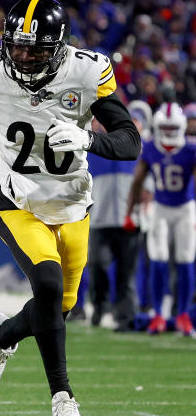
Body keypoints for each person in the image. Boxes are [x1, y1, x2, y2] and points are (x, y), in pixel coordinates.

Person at [0, 0, 140, 416]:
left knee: (58, 308)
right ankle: (63, 398)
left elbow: (129, 141)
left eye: (35, 50)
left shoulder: (85, 72)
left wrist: (87, 141)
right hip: (19, 203)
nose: (23, 58)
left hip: (73, 206)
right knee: (47, 284)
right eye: (17, 47)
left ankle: (4, 334)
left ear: (59, 48)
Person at [126, 103, 196, 336]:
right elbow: (137, 182)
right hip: (160, 208)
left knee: (185, 259)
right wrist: (129, 213)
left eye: (171, 127)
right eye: (164, 127)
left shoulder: (190, 149)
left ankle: (183, 315)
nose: (167, 132)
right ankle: (158, 315)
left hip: (185, 208)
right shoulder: (150, 148)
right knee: (158, 259)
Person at [84, 119, 142, 331]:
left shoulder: (136, 149)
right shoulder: (94, 150)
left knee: (126, 272)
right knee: (98, 265)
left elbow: (145, 181)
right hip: (100, 219)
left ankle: (124, 314)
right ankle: (100, 306)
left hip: (129, 221)